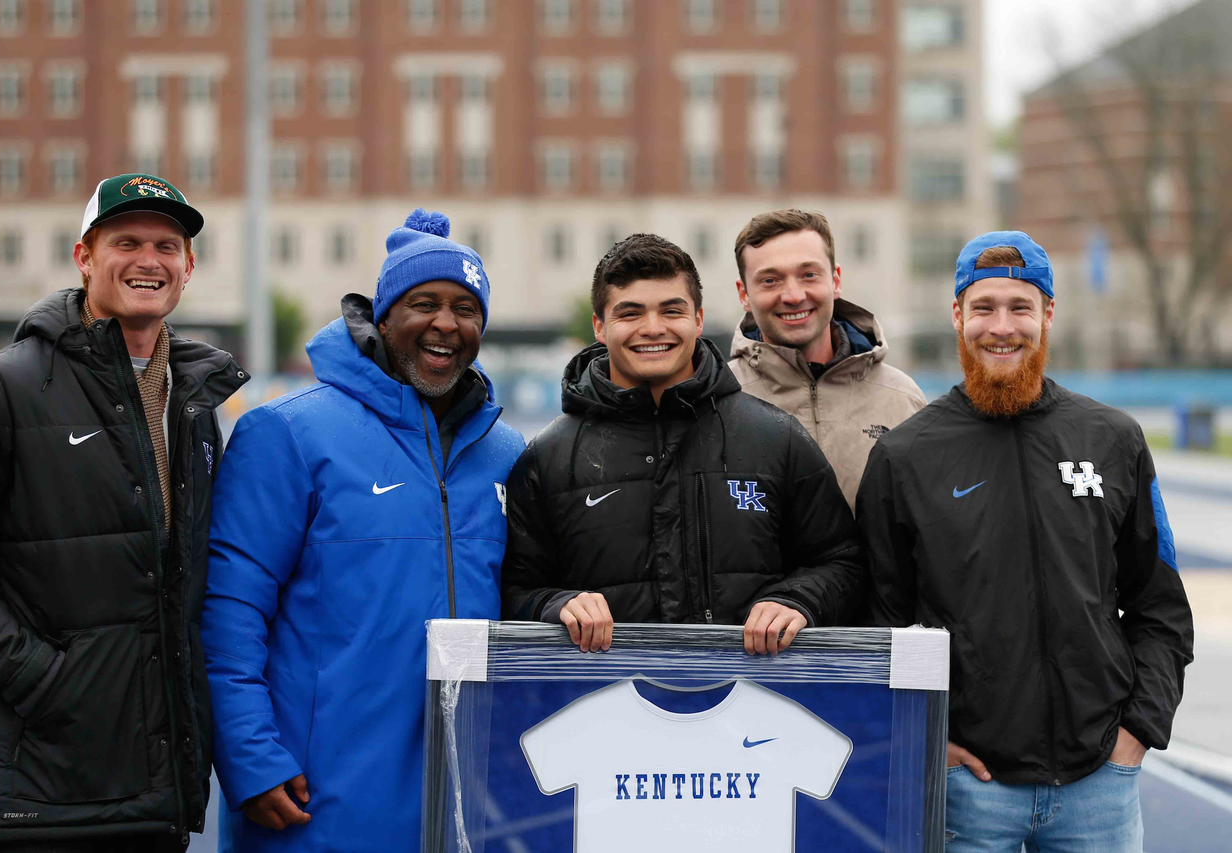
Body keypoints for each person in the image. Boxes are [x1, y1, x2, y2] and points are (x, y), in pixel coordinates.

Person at [856, 231, 1194, 852]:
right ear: (957, 316)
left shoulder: (1112, 438)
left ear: (1048, 315)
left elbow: (1160, 604)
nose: (1001, 327)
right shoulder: (905, 457)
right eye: (983, 308)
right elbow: (882, 622)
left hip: (1100, 786)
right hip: (967, 789)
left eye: (1020, 307)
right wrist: (928, 742)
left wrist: (1138, 731)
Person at [203, 209, 525, 853]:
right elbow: (230, 611)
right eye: (423, 303)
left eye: (466, 308)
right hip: (318, 799)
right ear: (382, 319)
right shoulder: (289, 432)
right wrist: (250, 757)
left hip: (466, 802)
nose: (445, 324)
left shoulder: (507, 452)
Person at [0, 173, 246, 850]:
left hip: (157, 791)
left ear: (188, 266)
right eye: (127, 241)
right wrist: (44, 677)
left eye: (167, 245)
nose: (149, 260)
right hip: (42, 788)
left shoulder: (195, 405)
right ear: (84, 256)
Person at [502, 233, 863, 655]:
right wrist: (555, 604)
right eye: (630, 313)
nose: (652, 328)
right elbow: (513, 591)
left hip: (753, 711)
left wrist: (797, 600)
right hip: (605, 712)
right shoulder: (549, 458)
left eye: (671, 310)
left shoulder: (776, 437)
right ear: (600, 326)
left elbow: (844, 563)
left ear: (697, 318)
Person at [728, 209, 926, 511]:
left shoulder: (902, 400)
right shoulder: (719, 400)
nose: (793, 295)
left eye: (809, 274)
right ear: (744, 294)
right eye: (770, 280)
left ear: (835, 280)